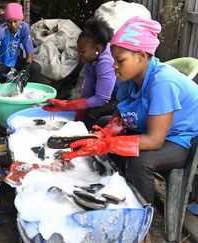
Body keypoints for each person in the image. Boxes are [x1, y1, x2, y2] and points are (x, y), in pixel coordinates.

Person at [59, 16, 198, 203]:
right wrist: (105, 134)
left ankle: (141, 217)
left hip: (184, 138)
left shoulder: (162, 83)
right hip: (154, 130)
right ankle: (114, 186)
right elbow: (121, 112)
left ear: (141, 56)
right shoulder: (130, 78)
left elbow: (155, 141)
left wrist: (107, 144)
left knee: (141, 162)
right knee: (102, 124)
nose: (114, 66)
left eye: (120, 60)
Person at [43, 17, 117, 128]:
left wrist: (67, 105)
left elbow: (102, 99)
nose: (79, 54)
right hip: (107, 97)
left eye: (82, 51)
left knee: (91, 114)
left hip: (120, 99)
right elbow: (86, 95)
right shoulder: (91, 62)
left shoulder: (105, 62)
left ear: (97, 49)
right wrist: (75, 121)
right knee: (84, 112)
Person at [0, 2, 41, 102]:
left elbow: (29, 52)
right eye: (9, 22)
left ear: (21, 19)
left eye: (16, 21)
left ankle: (32, 98)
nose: (13, 25)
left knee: (35, 67)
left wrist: (26, 68)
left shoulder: (24, 28)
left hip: (13, 59)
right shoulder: (1, 30)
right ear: (6, 21)